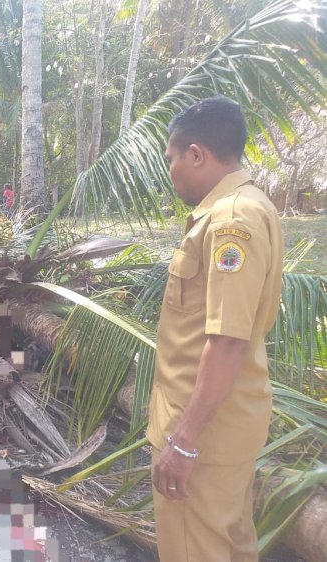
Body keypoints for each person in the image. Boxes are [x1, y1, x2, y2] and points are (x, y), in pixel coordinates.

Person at [147, 96, 284, 561]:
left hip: (201, 433)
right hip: (224, 424)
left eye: (172, 159)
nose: (172, 172)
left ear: (197, 153)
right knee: (230, 544)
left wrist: (183, 443)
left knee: (197, 549)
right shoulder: (248, 205)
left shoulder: (230, 220)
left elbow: (226, 341)